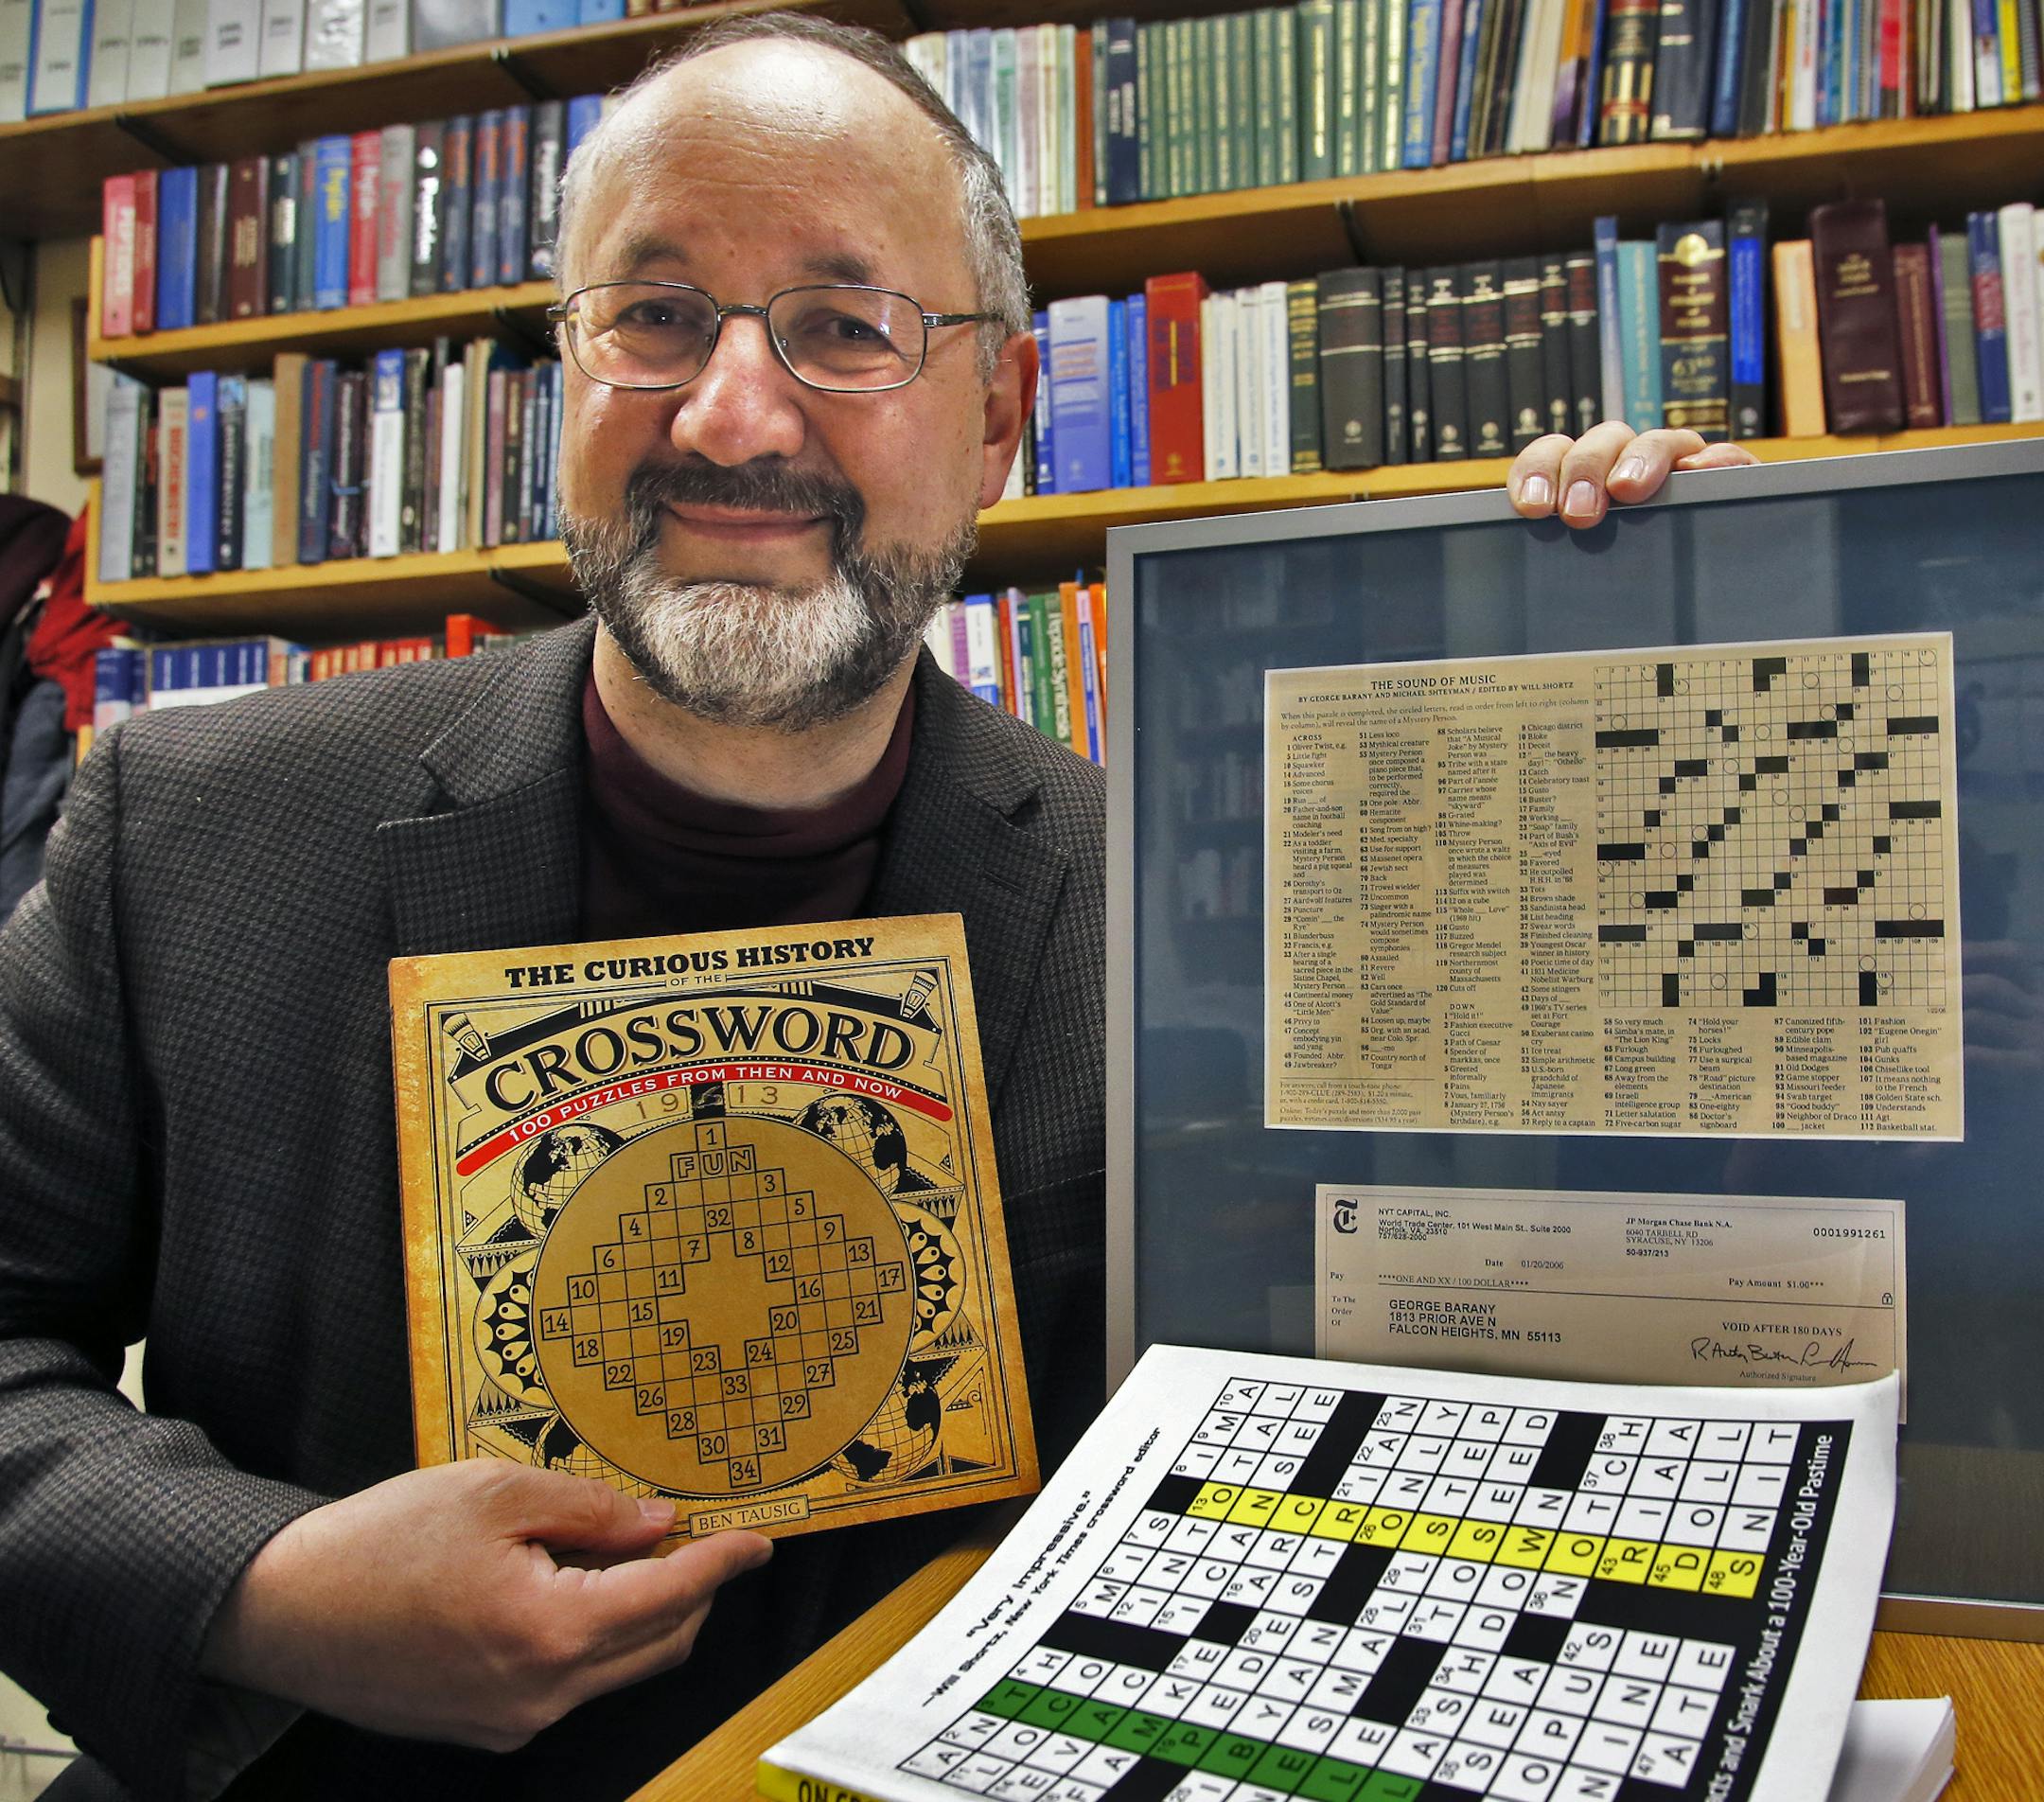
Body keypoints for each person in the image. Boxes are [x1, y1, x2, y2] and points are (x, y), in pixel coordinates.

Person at [0, 13, 1747, 1800]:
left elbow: (1522, 1380)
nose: (732, 416)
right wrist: (258, 1590)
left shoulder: (1200, 929)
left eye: (846, 328)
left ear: (997, 419)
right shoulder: (192, 830)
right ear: (560, 374)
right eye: (656, 316)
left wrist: (1671, 702)